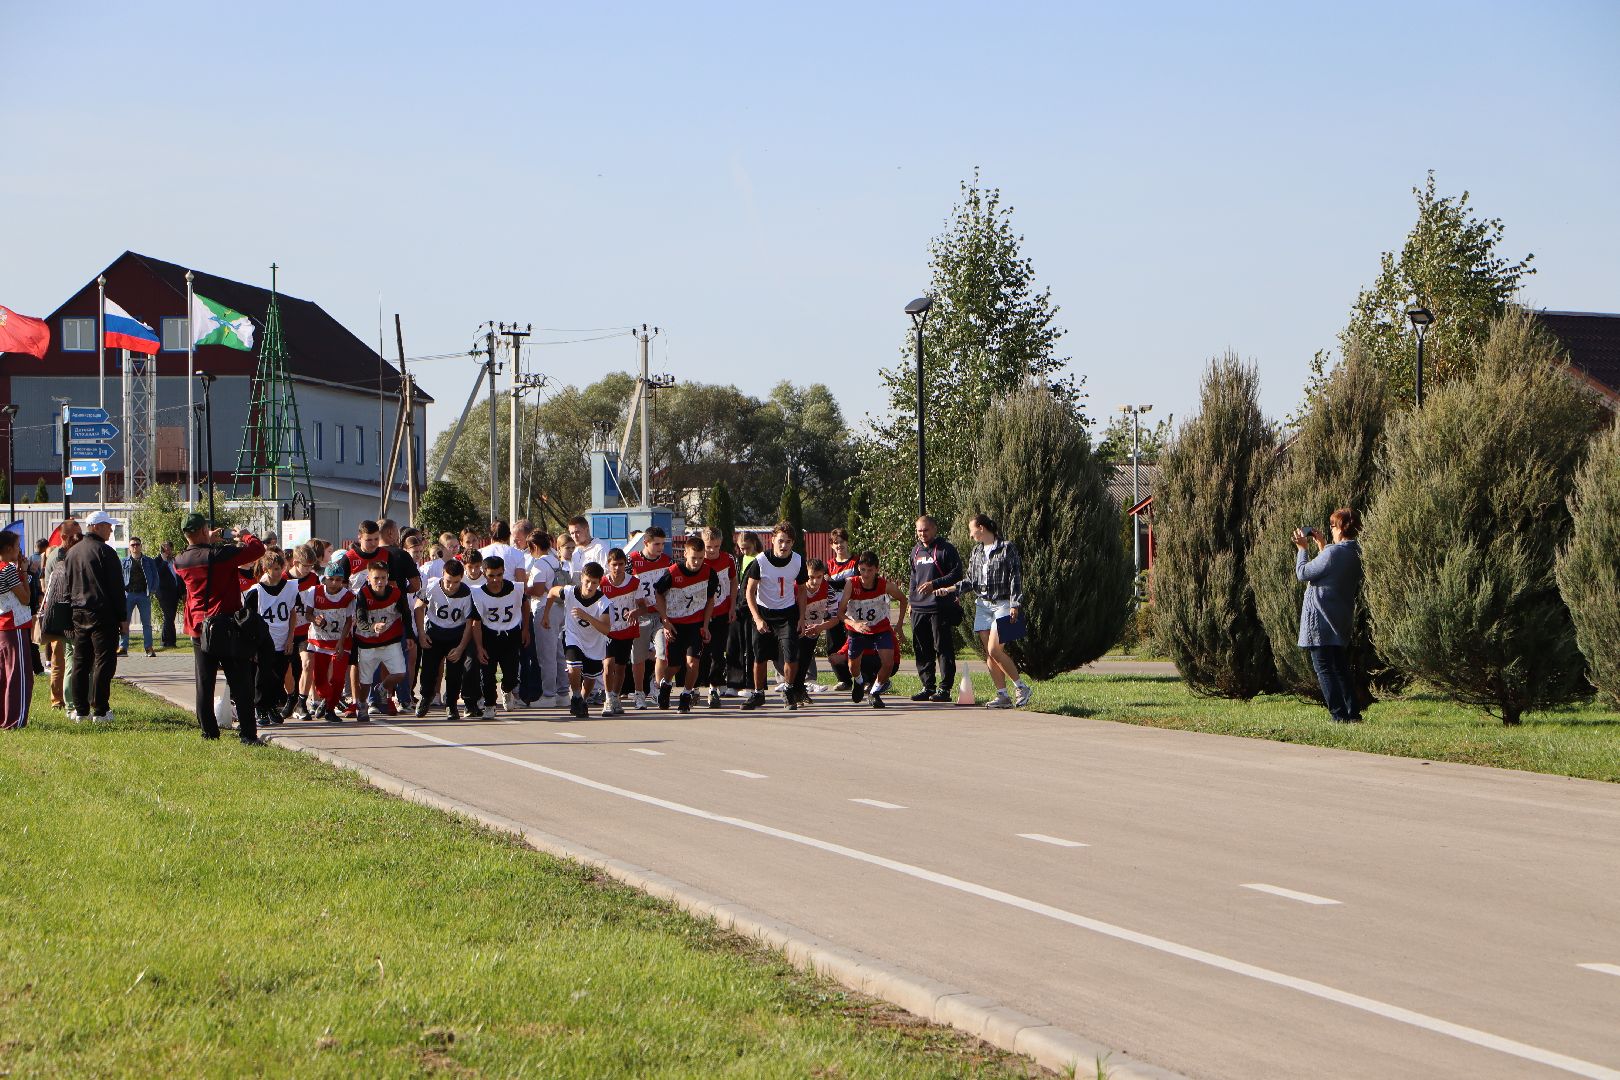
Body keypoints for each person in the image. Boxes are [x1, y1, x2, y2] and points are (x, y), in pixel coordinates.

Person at [174, 513, 265, 743]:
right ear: (204, 530)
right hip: (226, 626)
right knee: (240, 682)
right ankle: (247, 734)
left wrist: (206, 540)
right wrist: (244, 535)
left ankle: (208, 731)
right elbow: (257, 550)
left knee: (204, 682)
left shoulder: (180, 560)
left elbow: (198, 553)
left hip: (198, 627)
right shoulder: (220, 555)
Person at [942, 514, 1031, 708]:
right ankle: (1002, 695)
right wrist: (949, 589)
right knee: (989, 654)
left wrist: (1015, 603)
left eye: (971, 529)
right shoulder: (977, 551)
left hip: (1003, 604)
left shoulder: (1007, 548)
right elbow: (970, 581)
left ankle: (1021, 687)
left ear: (981, 528)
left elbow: (1016, 577)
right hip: (983, 605)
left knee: (994, 649)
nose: (970, 533)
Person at [1294, 508, 1364, 723]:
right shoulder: (1355, 552)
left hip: (1320, 619)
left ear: (1342, 528)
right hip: (1339, 618)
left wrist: (1302, 549)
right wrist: (1322, 546)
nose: (1331, 529)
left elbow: (1303, 573)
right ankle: (1353, 714)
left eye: (1333, 526)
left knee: (1324, 668)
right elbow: (1331, 570)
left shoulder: (1334, 553)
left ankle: (1339, 715)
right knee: (1340, 668)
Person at [64, 509, 127, 724]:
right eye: (108, 525)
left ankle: (80, 710)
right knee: (104, 662)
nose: (111, 529)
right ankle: (100, 710)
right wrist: (123, 618)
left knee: (81, 662)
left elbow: (67, 586)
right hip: (103, 614)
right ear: (96, 526)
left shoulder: (72, 552)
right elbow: (116, 589)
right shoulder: (105, 552)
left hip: (78, 613)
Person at [741, 522, 807, 711]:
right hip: (764, 612)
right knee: (760, 657)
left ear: (792, 543)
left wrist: (802, 617)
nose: (784, 545)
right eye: (780, 541)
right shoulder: (760, 561)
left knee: (791, 656)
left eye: (788, 542)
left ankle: (788, 689)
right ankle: (758, 693)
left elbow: (802, 591)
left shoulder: (798, 561)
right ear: (772, 540)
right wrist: (758, 618)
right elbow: (749, 592)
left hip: (787, 613)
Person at [833, 551, 909, 709]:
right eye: (862, 570)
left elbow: (903, 598)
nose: (866, 574)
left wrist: (900, 625)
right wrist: (854, 625)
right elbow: (840, 613)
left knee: (888, 662)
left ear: (876, 570)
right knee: (853, 667)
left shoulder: (884, 584)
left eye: (869, 570)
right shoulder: (851, 584)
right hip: (858, 629)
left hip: (880, 627)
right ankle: (859, 681)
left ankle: (874, 692)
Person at [654, 534, 718, 713]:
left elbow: (710, 600)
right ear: (685, 555)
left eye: (700, 558)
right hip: (675, 624)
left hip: (695, 624)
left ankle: (686, 695)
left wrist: (705, 625)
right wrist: (665, 621)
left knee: (692, 663)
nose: (697, 562)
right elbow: (658, 593)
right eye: (693, 558)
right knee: (674, 665)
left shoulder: (708, 573)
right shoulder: (673, 572)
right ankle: (665, 685)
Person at [544, 561, 611, 718]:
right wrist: (546, 614)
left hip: (594, 643)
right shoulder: (569, 592)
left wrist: (587, 616)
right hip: (573, 636)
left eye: (594, 583)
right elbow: (553, 591)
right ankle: (575, 696)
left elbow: (606, 629)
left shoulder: (604, 602)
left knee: (590, 676)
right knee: (574, 665)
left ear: (599, 583)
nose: (589, 586)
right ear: (581, 578)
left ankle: (583, 699)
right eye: (587, 581)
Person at [416, 557, 480, 719]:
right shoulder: (431, 585)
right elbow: (418, 607)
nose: (451, 586)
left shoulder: (467, 593)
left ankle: (451, 705)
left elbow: (469, 624)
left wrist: (460, 648)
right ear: (442, 574)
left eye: (456, 582)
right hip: (434, 634)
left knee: (454, 674)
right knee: (429, 671)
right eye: (448, 581)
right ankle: (426, 697)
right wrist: (421, 634)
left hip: (455, 636)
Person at [908, 516, 963, 703]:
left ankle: (945, 689)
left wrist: (935, 584)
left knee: (942, 648)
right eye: (919, 531)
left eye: (926, 530)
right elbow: (913, 578)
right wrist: (911, 601)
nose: (922, 534)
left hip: (939, 607)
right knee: (922, 649)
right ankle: (927, 686)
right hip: (918, 608)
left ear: (934, 529)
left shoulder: (945, 549)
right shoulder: (916, 551)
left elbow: (957, 574)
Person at [242, 551, 298, 727]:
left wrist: (290, 637)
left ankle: (273, 705)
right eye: (273, 569)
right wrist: (252, 644)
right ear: (266, 569)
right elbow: (248, 619)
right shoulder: (256, 591)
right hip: (263, 639)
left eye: (280, 568)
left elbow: (292, 613)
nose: (277, 572)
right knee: (262, 675)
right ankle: (260, 707)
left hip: (282, 638)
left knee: (278, 675)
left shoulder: (289, 588)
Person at [351, 561, 410, 722]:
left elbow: (406, 614)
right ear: (369, 578)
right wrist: (373, 626)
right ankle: (362, 704)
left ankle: (382, 687)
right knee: (365, 682)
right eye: (376, 578)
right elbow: (360, 620)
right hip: (367, 642)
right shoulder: (363, 594)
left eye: (383, 578)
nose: (379, 582)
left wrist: (410, 635)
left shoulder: (396, 594)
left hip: (390, 641)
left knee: (400, 673)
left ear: (387, 577)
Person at [470, 554, 528, 718]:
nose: (495, 580)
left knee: (511, 674)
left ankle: (507, 689)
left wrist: (525, 629)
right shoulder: (478, 594)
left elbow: (525, 604)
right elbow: (476, 622)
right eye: (491, 576)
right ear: (484, 574)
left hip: (511, 635)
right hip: (489, 635)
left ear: (504, 572)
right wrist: (479, 647)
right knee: (487, 675)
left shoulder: (515, 588)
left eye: (499, 575)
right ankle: (489, 704)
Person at [299, 562, 355, 723]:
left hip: (340, 642)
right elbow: (308, 614)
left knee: (338, 679)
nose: (334, 583)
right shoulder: (314, 592)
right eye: (331, 579)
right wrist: (315, 620)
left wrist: (341, 641)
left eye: (338, 580)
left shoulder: (348, 597)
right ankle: (326, 699)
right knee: (320, 679)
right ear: (324, 579)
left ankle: (330, 709)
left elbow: (348, 621)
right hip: (319, 641)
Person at [36, 520, 81, 710]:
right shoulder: (58, 556)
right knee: (59, 658)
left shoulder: (74, 552)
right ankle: (57, 700)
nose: (79, 539)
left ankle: (71, 696)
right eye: (75, 536)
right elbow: (52, 587)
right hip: (59, 613)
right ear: (64, 537)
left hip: (71, 611)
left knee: (70, 657)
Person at [629, 527, 673, 709]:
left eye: (663, 544)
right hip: (641, 615)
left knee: (662, 654)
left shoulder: (667, 561)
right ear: (646, 543)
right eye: (656, 544)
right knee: (638, 657)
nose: (660, 548)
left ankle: (656, 686)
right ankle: (639, 693)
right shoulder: (632, 560)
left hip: (660, 614)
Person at [526, 531, 570, 707]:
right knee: (558, 652)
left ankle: (548, 695)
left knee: (546, 655)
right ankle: (562, 693)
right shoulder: (556, 561)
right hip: (559, 608)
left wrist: (523, 588)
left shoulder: (540, 564)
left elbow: (537, 590)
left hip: (545, 609)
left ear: (534, 547)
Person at [598, 548, 643, 717]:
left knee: (621, 666)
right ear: (608, 565)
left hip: (627, 629)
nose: (618, 568)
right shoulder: (602, 584)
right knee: (608, 664)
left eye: (621, 564)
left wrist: (636, 611)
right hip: (608, 630)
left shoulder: (634, 582)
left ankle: (616, 696)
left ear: (626, 565)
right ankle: (608, 698)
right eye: (614, 565)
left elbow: (643, 605)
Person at [0, 529, 35, 730]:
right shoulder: (8, 570)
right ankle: (15, 720)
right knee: (19, 675)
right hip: (15, 625)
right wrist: (22, 570)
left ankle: (4, 716)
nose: (19, 549)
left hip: (2, 625)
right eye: (17, 546)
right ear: (8, 548)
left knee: (4, 675)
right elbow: (25, 598)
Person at [700, 526, 737, 708]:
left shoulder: (728, 559)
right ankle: (695, 688)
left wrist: (732, 606)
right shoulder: (698, 560)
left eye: (715, 546)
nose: (712, 550)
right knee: (701, 653)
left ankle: (714, 689)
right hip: (701, 615)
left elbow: (733, 580)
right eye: (708, 546)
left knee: (718, 653)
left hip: (722, 611)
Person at [794, 559, 836, 702]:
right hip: (796, 628)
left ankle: (799, 690)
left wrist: (820, 627)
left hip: (814, 629)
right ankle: (793, 689)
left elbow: (835, 617)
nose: (815, 581)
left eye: (819, 577)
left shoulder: (828, 589)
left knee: (805, 660)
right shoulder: (796, 588)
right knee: (795, 659)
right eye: (811, 577)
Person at [823, 529, 858, 691]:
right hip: (832, 612)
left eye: (841, 541)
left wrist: (834, 582)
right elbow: (824, 584)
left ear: (847, 542)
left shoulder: (856, 562)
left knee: (853, 643)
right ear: (831, 545)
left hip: (852, 611)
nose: (839, 545)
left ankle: (859, 677)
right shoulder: (828, 565)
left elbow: (855, 582)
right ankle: (843, 679)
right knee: (833, 646)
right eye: (835, 543)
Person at [117, 536, 161, 657]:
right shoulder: (123, 561)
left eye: (137, 544)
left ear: (141, 546)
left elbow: (156, 577)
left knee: (146, 623)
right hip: (128, 594)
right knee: (125, 622)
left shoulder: (149, 561)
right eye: (133, 545)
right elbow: (119, 579)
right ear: (129, 547)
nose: (135, 546)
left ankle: (148, 647)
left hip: (143, 594)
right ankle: (123, 647)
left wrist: (152, 590)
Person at [566, 516, 611, 581]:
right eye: (572, 533)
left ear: (587, 530)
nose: (574, 536)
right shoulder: (574, 551)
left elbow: (606, 575)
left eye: (577, 532)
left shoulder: (600, 548)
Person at [155, 540, 182, 648]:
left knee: (170, 617)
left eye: (169, 548)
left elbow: (179, 576)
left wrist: (182, 591)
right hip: (163, 593)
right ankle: (169, 641)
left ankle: (166, 641)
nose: (168, 551)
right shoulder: (157, 560)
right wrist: (164, 561)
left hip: (174, 593)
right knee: (168, 616)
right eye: (165, 548)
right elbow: (158, 574)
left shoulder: (174, 561)